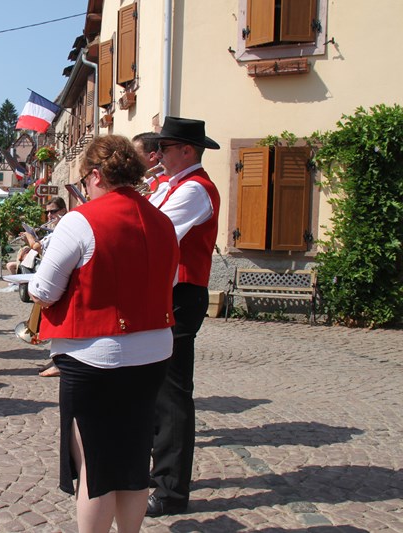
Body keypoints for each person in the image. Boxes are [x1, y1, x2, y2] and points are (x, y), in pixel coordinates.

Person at [28, 134, 179, 532]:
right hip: (154, 352)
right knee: (131, 463)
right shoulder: (162, 220)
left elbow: (42, 289)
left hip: (96, 355)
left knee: (96, 470)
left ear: (95, 175)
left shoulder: (81, 219)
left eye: (83, 181)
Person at [148, 116, 221, 517]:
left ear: (187, 151)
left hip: (180, 294)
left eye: (165, 148)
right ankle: (154, 473)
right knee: (153, 387)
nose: (158, 156)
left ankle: (171, 490)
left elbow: (156, 234)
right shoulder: (173, 185)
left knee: (172, 396)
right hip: (164, 292)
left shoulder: (194, 189)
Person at [5, 198, 66, 276]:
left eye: (53, 211)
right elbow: (42, 250)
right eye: (47, 212)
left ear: (63, 211)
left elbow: (36, 247)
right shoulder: (55, 228)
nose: (49, 215)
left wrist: (29, 235)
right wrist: (28, 240)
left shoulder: (62, 229)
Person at [132, 132, 170, 206]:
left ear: (152, 156)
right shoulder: (145, 182)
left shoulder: (162, 186)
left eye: (134, 155)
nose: (130, 159)